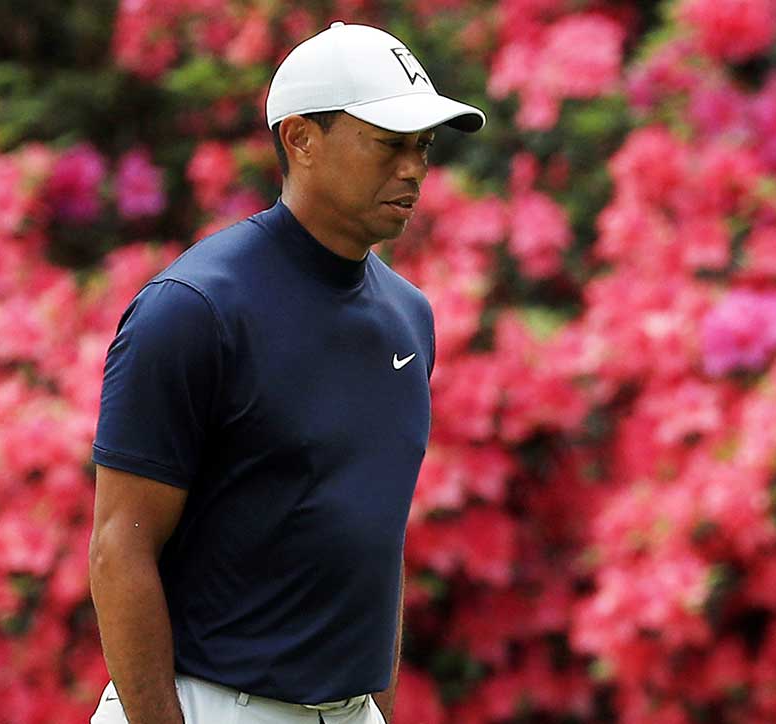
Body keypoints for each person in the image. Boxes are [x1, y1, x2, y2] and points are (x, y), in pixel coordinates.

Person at [86, 20, 485, 724]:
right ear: (300, 139)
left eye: (423, 147)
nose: (415, 168)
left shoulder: (409, 318)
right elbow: (120, 549)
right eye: (390, 144)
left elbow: (372, 535)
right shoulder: (193, 311)